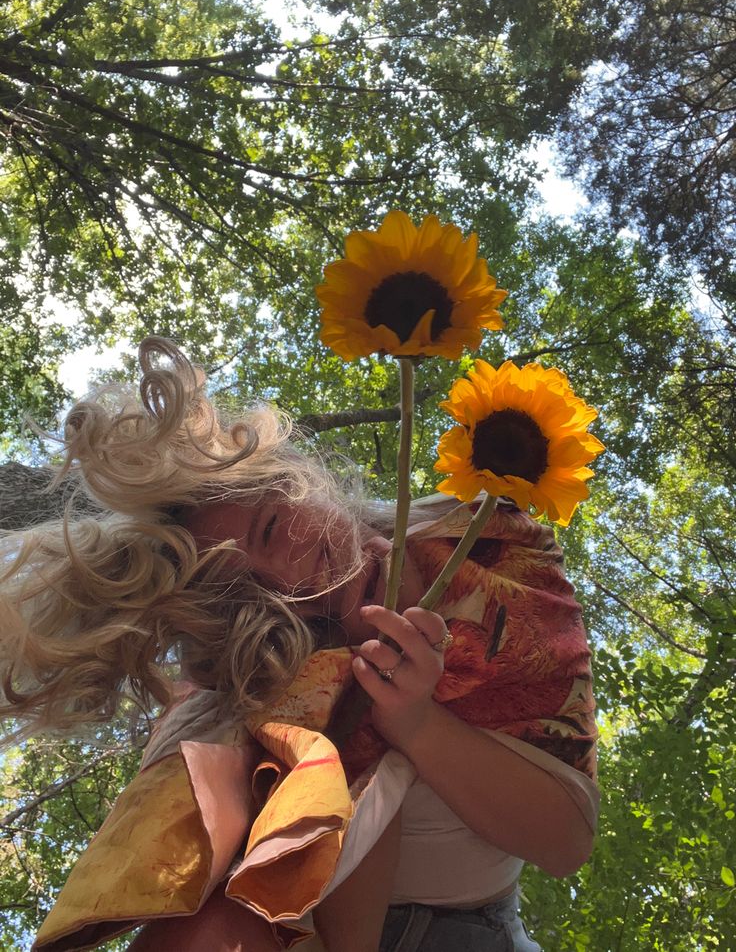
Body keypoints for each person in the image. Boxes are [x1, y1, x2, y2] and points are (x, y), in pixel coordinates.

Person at [0, 338, 599, 952]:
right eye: (248, 593)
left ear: (300, 479)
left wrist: (414, 722)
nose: (292, 584)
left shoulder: (490, 545)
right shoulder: (238, 687)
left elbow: (565, 839)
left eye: (271, 528)